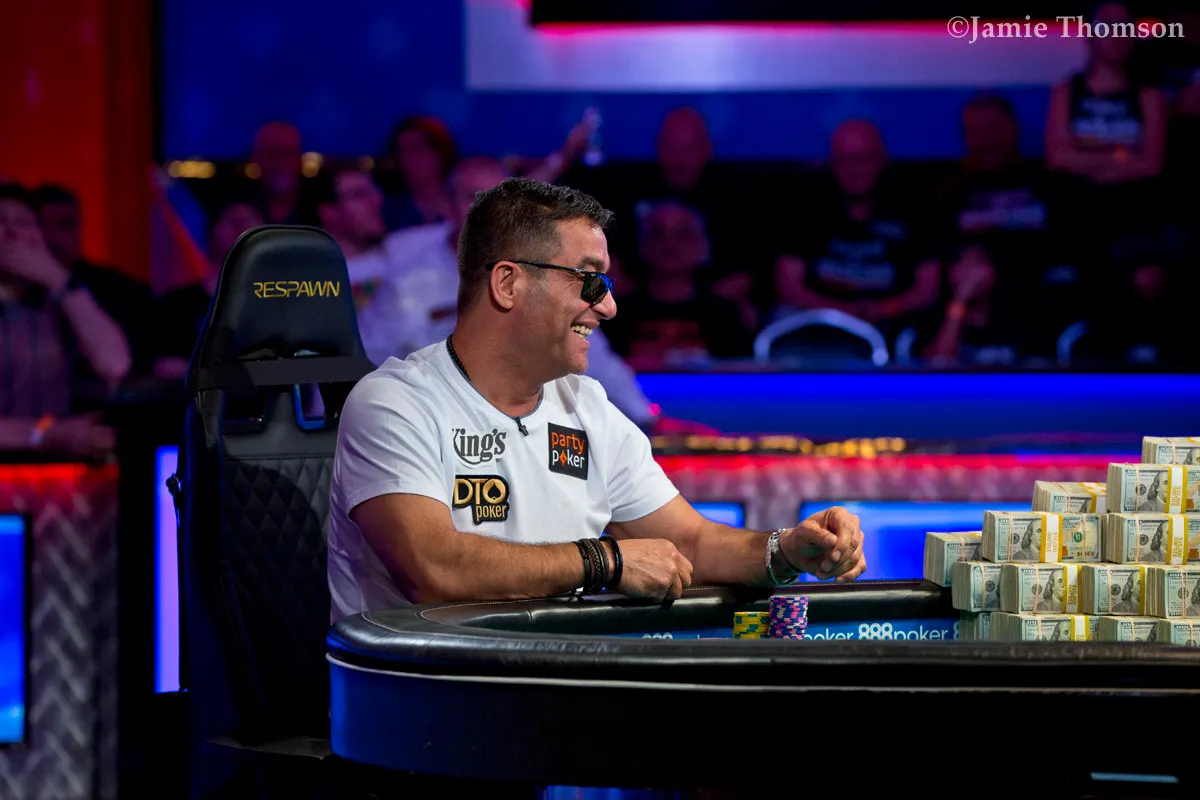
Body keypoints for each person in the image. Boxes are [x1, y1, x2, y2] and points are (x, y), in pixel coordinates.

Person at [327, 178, 866, 620]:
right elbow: (433, 569)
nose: (607, 306)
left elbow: (691, 542)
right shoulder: (394, 404)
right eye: (588, 280)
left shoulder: (587, 407)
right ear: (508, 284)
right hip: (429, 702)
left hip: (556, 689)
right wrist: (605, 561)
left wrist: (786, 549)